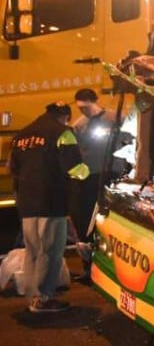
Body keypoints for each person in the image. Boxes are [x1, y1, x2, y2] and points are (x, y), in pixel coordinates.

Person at [10, 102, 90, 313]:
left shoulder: (22, 136)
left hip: (27, 204)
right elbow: (74, 168)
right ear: (64, 116)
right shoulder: (63, 133)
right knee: (51, 251)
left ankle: (31, 295)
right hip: (52, 201)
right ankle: (43, 299)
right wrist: (87, 174)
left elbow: (13, 168)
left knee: (33, 251)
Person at [69, 87, 133, 282]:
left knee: (114, 222)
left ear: (95, 101)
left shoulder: (116, 118)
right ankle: (90, 268)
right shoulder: (79, 125)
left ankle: (115, 268)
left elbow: (131, 142)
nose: (84, 112)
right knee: (88, 222)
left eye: (86, 108)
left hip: (113, 175)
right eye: (81, 109)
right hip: (90, 179)